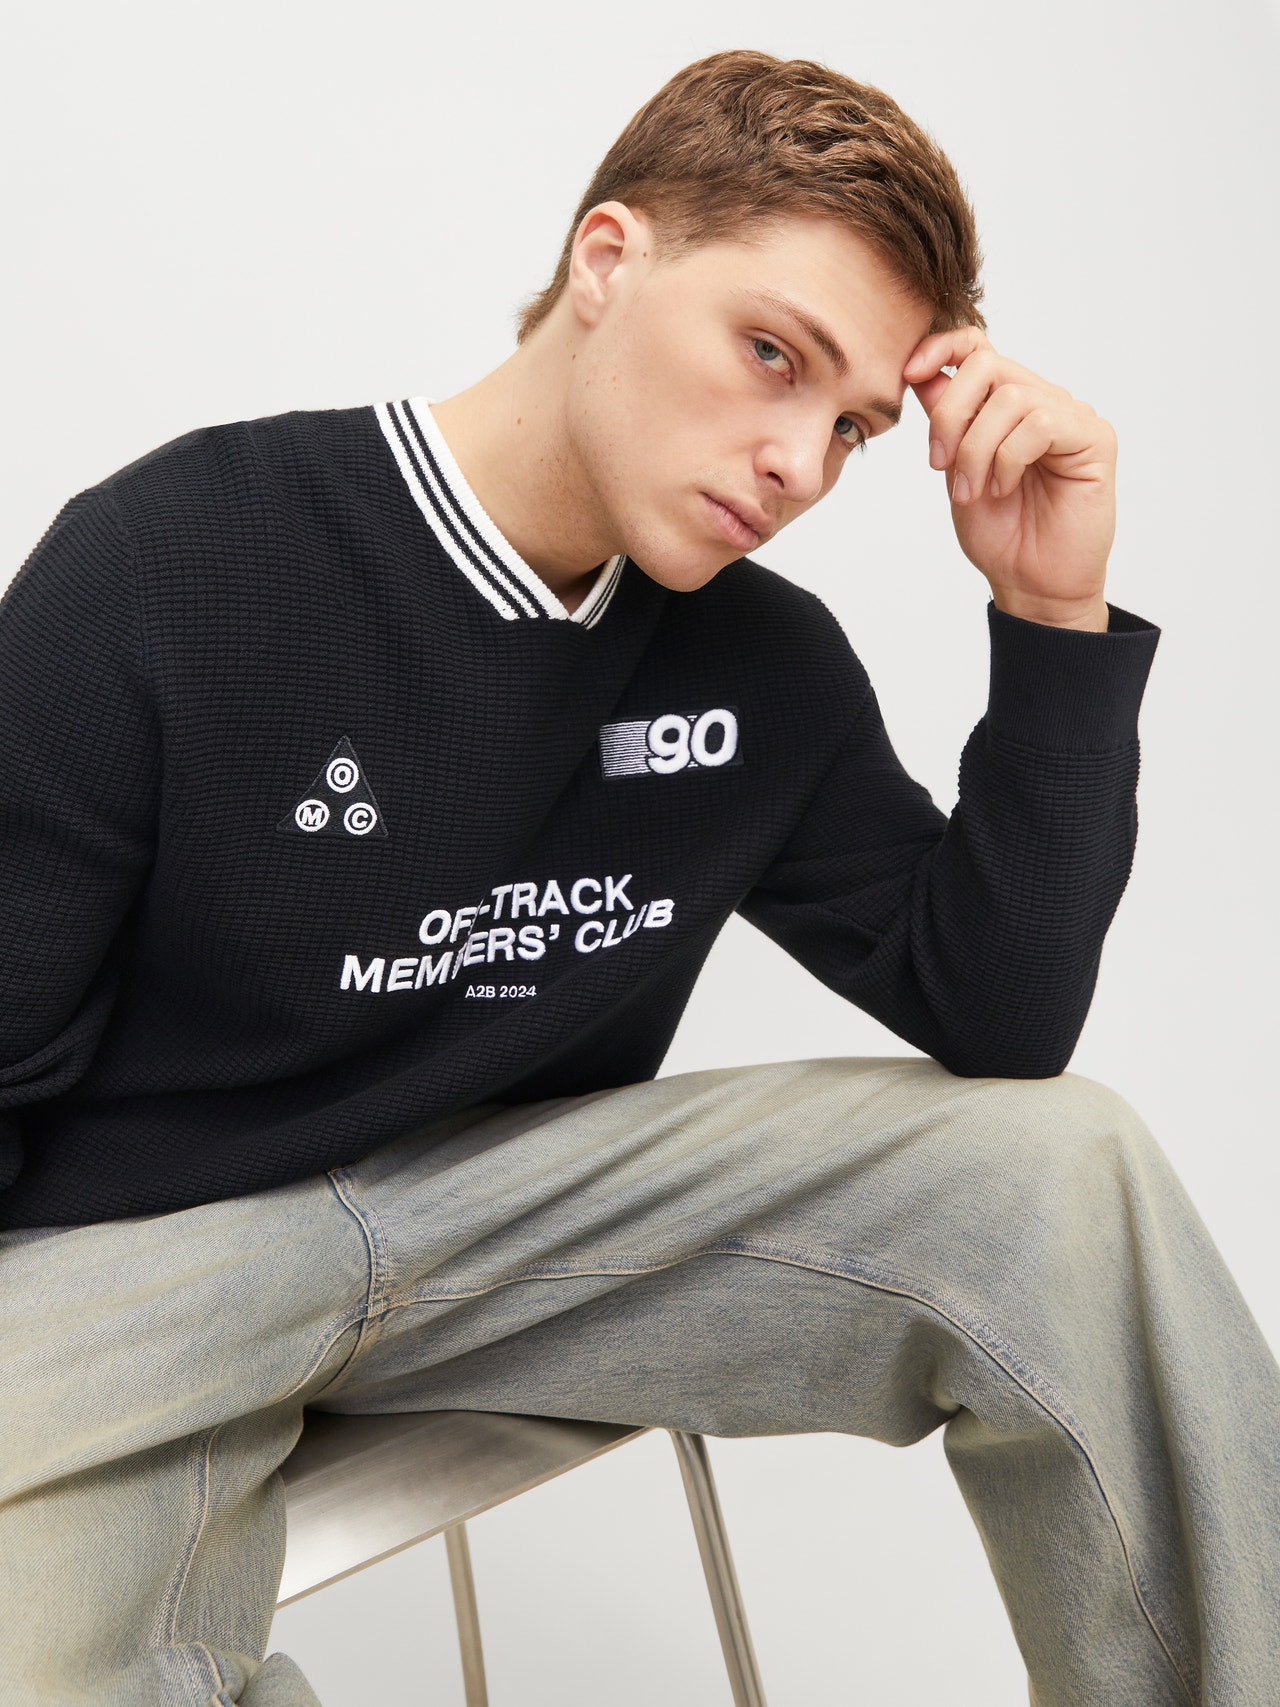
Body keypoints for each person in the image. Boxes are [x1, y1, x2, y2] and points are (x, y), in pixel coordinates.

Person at [1, 44, 1275, 1707]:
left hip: (515, 1231)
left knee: (1062, 1172)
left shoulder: (764, 669)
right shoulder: (172, 563)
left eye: (854, 425)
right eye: (772, 354)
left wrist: (1050, 615)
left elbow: (1004, 1015)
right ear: (609, 259)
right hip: (138, 1261)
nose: (800, 462)